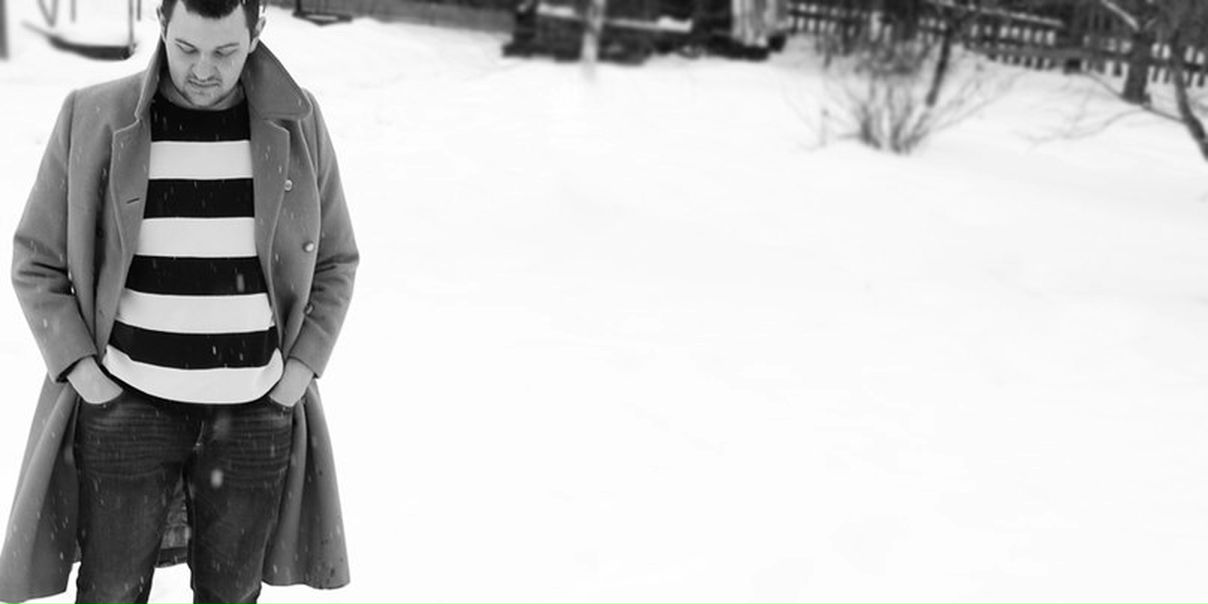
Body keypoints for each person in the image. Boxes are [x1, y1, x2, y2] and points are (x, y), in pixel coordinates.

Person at [0, 0, 358, 602]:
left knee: (232, 594)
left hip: (254, 414)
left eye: (225, 51)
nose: (203, 69)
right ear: (162, 25)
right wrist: (84, 371)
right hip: (127, 409)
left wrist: (299, 370)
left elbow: (336, 260)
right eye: (186, 48)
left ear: (257, 34)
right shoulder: (95, 116)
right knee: (111, 591)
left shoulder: (296, 122)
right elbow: (37, 259)